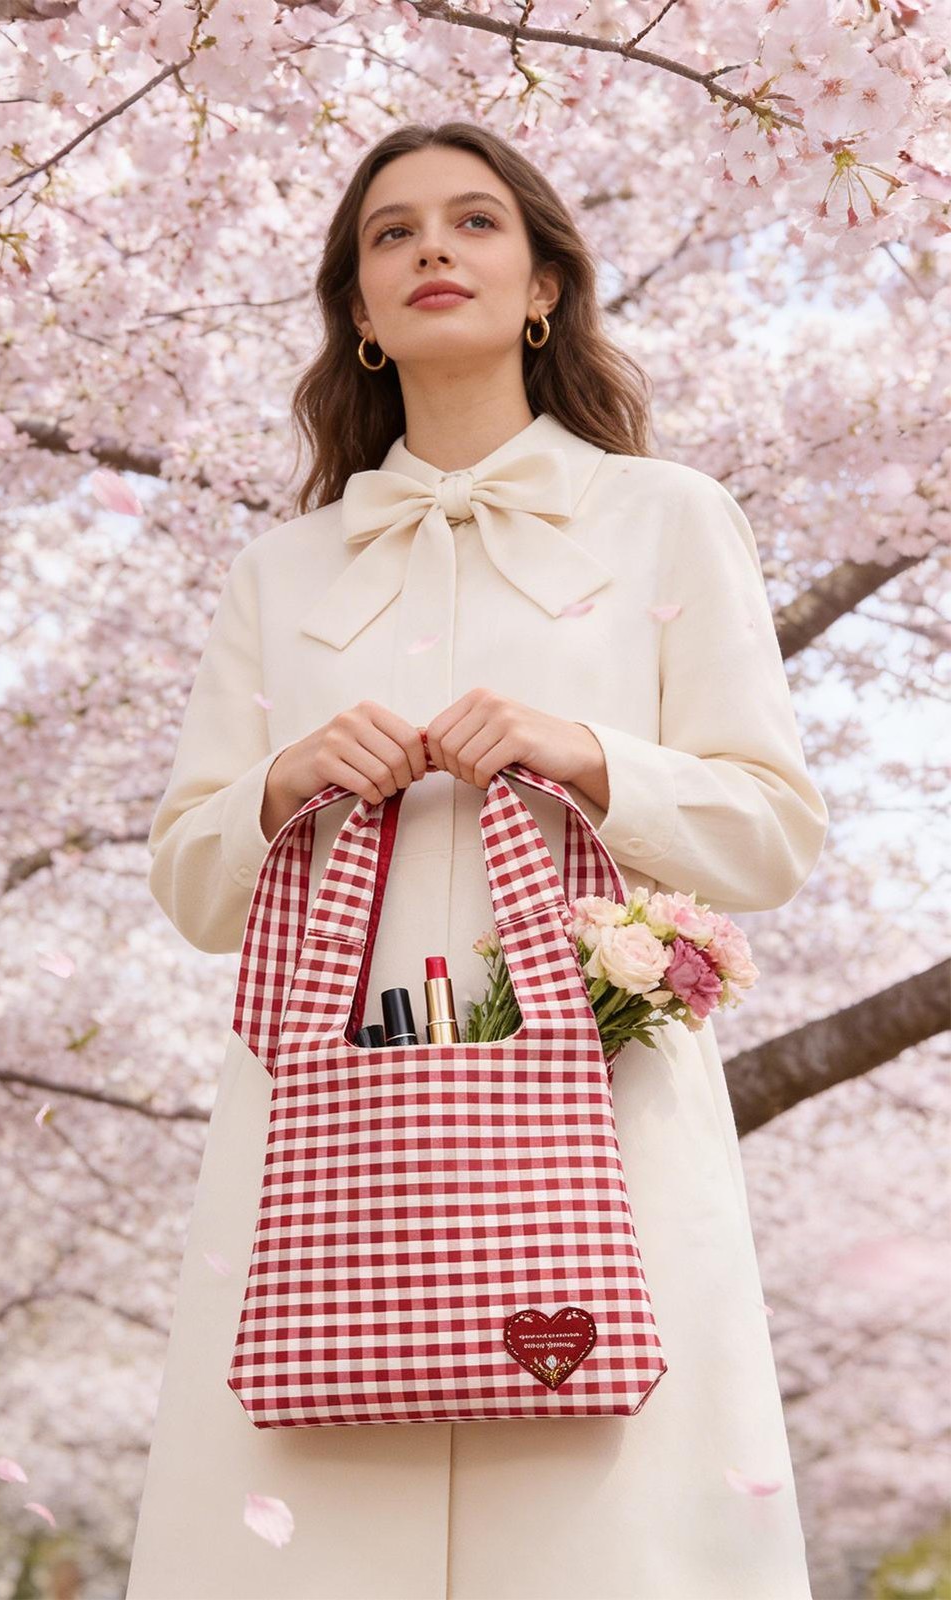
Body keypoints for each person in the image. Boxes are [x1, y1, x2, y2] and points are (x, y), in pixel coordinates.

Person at [125, 121, 826, 1600]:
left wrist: (586, 753)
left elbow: (770, 832)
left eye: (472, 224)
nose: (432, 249)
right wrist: (282, 781)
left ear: (542, 289)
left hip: (599, 1117)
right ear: (360, 316)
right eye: (391, 236)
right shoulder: (284, 570)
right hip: (330, 1137)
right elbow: (191, 882)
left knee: (607, 1543)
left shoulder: (669, 520)